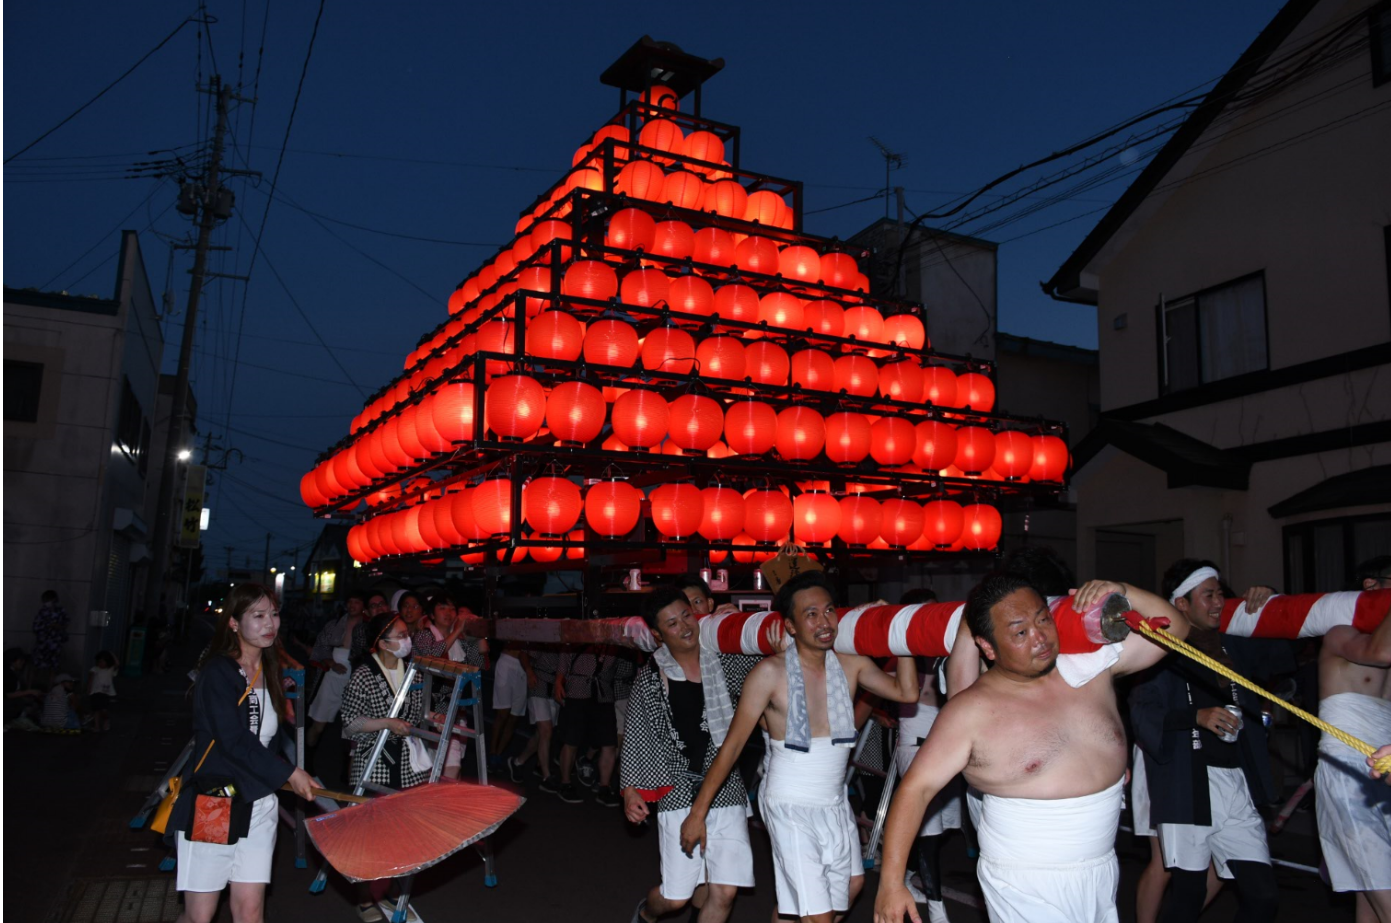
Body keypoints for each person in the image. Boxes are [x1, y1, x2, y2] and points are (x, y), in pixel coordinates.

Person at [875, 573, 1187, 923]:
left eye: (1043, 619)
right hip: (1024, 880)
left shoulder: (1090, 668)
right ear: (988, 647)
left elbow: (1176, 630)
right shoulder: (971, 712)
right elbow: (916, 789)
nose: (1040, 637)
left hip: (1101, 868)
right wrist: (891, 883)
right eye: (1020, 632)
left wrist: (1124, 590)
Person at [683, 572, 919, 923]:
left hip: (835, 800)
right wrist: (697, 814)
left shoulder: (852, 665)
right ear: (791, 626)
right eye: (811, 615)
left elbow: (907, 692)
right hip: (789, 802)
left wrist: (896, 634)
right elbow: (732, 748)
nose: (824, 622)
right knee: (819, 916)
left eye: (829, 611)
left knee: (853, 887)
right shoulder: (768, 674)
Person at [1130, 560, 1282, 923]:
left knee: (1263, 895)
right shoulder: (1160, 649)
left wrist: (1270, 602)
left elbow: (1280, 659)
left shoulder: (1232, 646)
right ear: (1181, 603)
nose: (1218, 602)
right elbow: (1142, 711)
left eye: (1220, 594)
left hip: (1235, 778)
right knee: (1188, 892)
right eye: (1208, 595)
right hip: (1188, 779)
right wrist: (1195, 716)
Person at [165, 583, 316, 923]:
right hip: (216, 802)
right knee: (200, 915)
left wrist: (280, 775)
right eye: (258, 615)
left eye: (274, 615)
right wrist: (289, 772)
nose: (270, 624)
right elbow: (232, 739)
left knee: (250, 911)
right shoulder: (217, 672)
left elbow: (270, 736)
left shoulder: (272, 669)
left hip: (260, 801)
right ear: (233, 623)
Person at [621, 586, 761, 923]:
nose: (685, 626)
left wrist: (738, 624)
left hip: (725, 785)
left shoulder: (727, 663)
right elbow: (637, 733)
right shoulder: (651, 676)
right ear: (656, 633)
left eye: (687, 615)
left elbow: (766, 656)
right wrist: (629, 789)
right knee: (676, 898)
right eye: (672, 623)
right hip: (677, 788)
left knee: (724, 892)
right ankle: (647, 913)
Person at [1314, 561, 1391, 921]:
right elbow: (1380, 653)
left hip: (1386, 770)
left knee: (1368, 892)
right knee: (1378, 882)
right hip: (1346, 769)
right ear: (1372, 587)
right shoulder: (1339, 633)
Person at [340, 610, 427, 922]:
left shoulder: (413, 672)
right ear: (382, 643)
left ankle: (387, 892)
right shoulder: (364, 674)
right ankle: (364, 899)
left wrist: (430, 720)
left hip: (405, 764)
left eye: (408, 634)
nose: (407, 641)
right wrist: (387, 723)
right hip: (373, 761)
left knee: (399, 835)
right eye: (401, 636)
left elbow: (416, 716)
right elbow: (348, 724)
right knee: (372, 836)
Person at [412, 592, 481, 779]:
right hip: (429, 707)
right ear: (432, 615)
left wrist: (478, 632)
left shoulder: (460, 641)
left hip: (455, 709)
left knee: (452, 765)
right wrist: (457, 631)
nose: (449, 612)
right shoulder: (424, 636)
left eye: (452, 608)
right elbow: (432, 656)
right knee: (435, 766)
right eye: (442, 608)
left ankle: (444, 803)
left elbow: (480, 663)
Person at [555, 644, 621, 806]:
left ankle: (604, 788)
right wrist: (558, 682)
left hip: (603, 695)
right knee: (571, 741)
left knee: (609, 743)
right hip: (577, 693)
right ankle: (565, 783)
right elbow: (563, 663)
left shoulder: (614, 642)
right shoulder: (578, 637)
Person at [307, 593, 367, 748]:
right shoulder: (334, 624)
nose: (352, 605)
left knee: (351, 729)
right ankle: (306, 759)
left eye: (357, 602)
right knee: (318, 724)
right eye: (350, 601)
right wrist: (331, 662)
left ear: (363, 605)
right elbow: (320, 648)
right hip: (331, 675)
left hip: (356, 678)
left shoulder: (367, 627)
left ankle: (345, 768)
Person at [507, 646, 560, 788]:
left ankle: (518, 761)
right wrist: (529, 671)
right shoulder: (547, 636)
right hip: (539, 684)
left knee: (542, 734)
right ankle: (546, 776)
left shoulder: (568, 643)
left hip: (555, 688)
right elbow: (523, 653)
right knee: (546, 731)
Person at [490, 641, 528, 765]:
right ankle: (492, 752)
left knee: (514, 717)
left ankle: (499, 754)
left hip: (525, 668)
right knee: (503, 713)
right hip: (507, 661)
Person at [32, 589, 69, 682]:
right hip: (42, 643)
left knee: (53, 668)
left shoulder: (61, 611)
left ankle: (50, 689)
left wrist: (57, 626)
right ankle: (32, 687)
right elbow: (35, 627)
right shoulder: (42, 612)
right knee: (36, 666)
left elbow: (65, 625)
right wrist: (47, 626)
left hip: (55, 643)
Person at [5, 648, 43, 730]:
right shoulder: (7, 674)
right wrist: (29, 692)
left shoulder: (14, 674)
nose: (23, 662)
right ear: (12, 661)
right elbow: (6, 695)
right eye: (20, 660)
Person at [88, 650, 119, 732]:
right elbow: (90, 679)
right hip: (95, 692)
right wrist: (89, 689)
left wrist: (111, 654)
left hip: (106, 692)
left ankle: (106, 719)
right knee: (96, 709)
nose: (100, 664)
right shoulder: (95, 669)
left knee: (104, 709)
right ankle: (96, 726)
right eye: (98, 662)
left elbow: (117, 664)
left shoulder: (110, 669)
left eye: (102, 662)